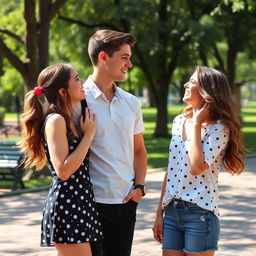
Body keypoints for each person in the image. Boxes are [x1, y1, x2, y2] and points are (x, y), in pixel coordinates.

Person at [152, 66, 245, 256]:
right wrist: (158, 214)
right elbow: (171, 170)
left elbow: (196, 167)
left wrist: (196, 124)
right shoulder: (179, 121)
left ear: (207, 91)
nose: (186, 84)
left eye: (192, 82)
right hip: (171, 210)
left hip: (200, 213)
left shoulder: (219, 129)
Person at [74, 30, 147, 256]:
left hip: (126, 203)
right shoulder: (78, 100)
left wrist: (139, 188)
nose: (130, 64)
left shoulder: (131, 103)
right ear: (104, 57)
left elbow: (139, 150)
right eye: (124, 57)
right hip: (89, 203)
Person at [19, 63, 103, 256]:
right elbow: (63, 171)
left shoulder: (69, 120)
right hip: (68, 205)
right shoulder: (56, 120)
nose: (82, 83)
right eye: (77, 79)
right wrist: (89, 135)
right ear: (63, 92)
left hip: (81, 203)